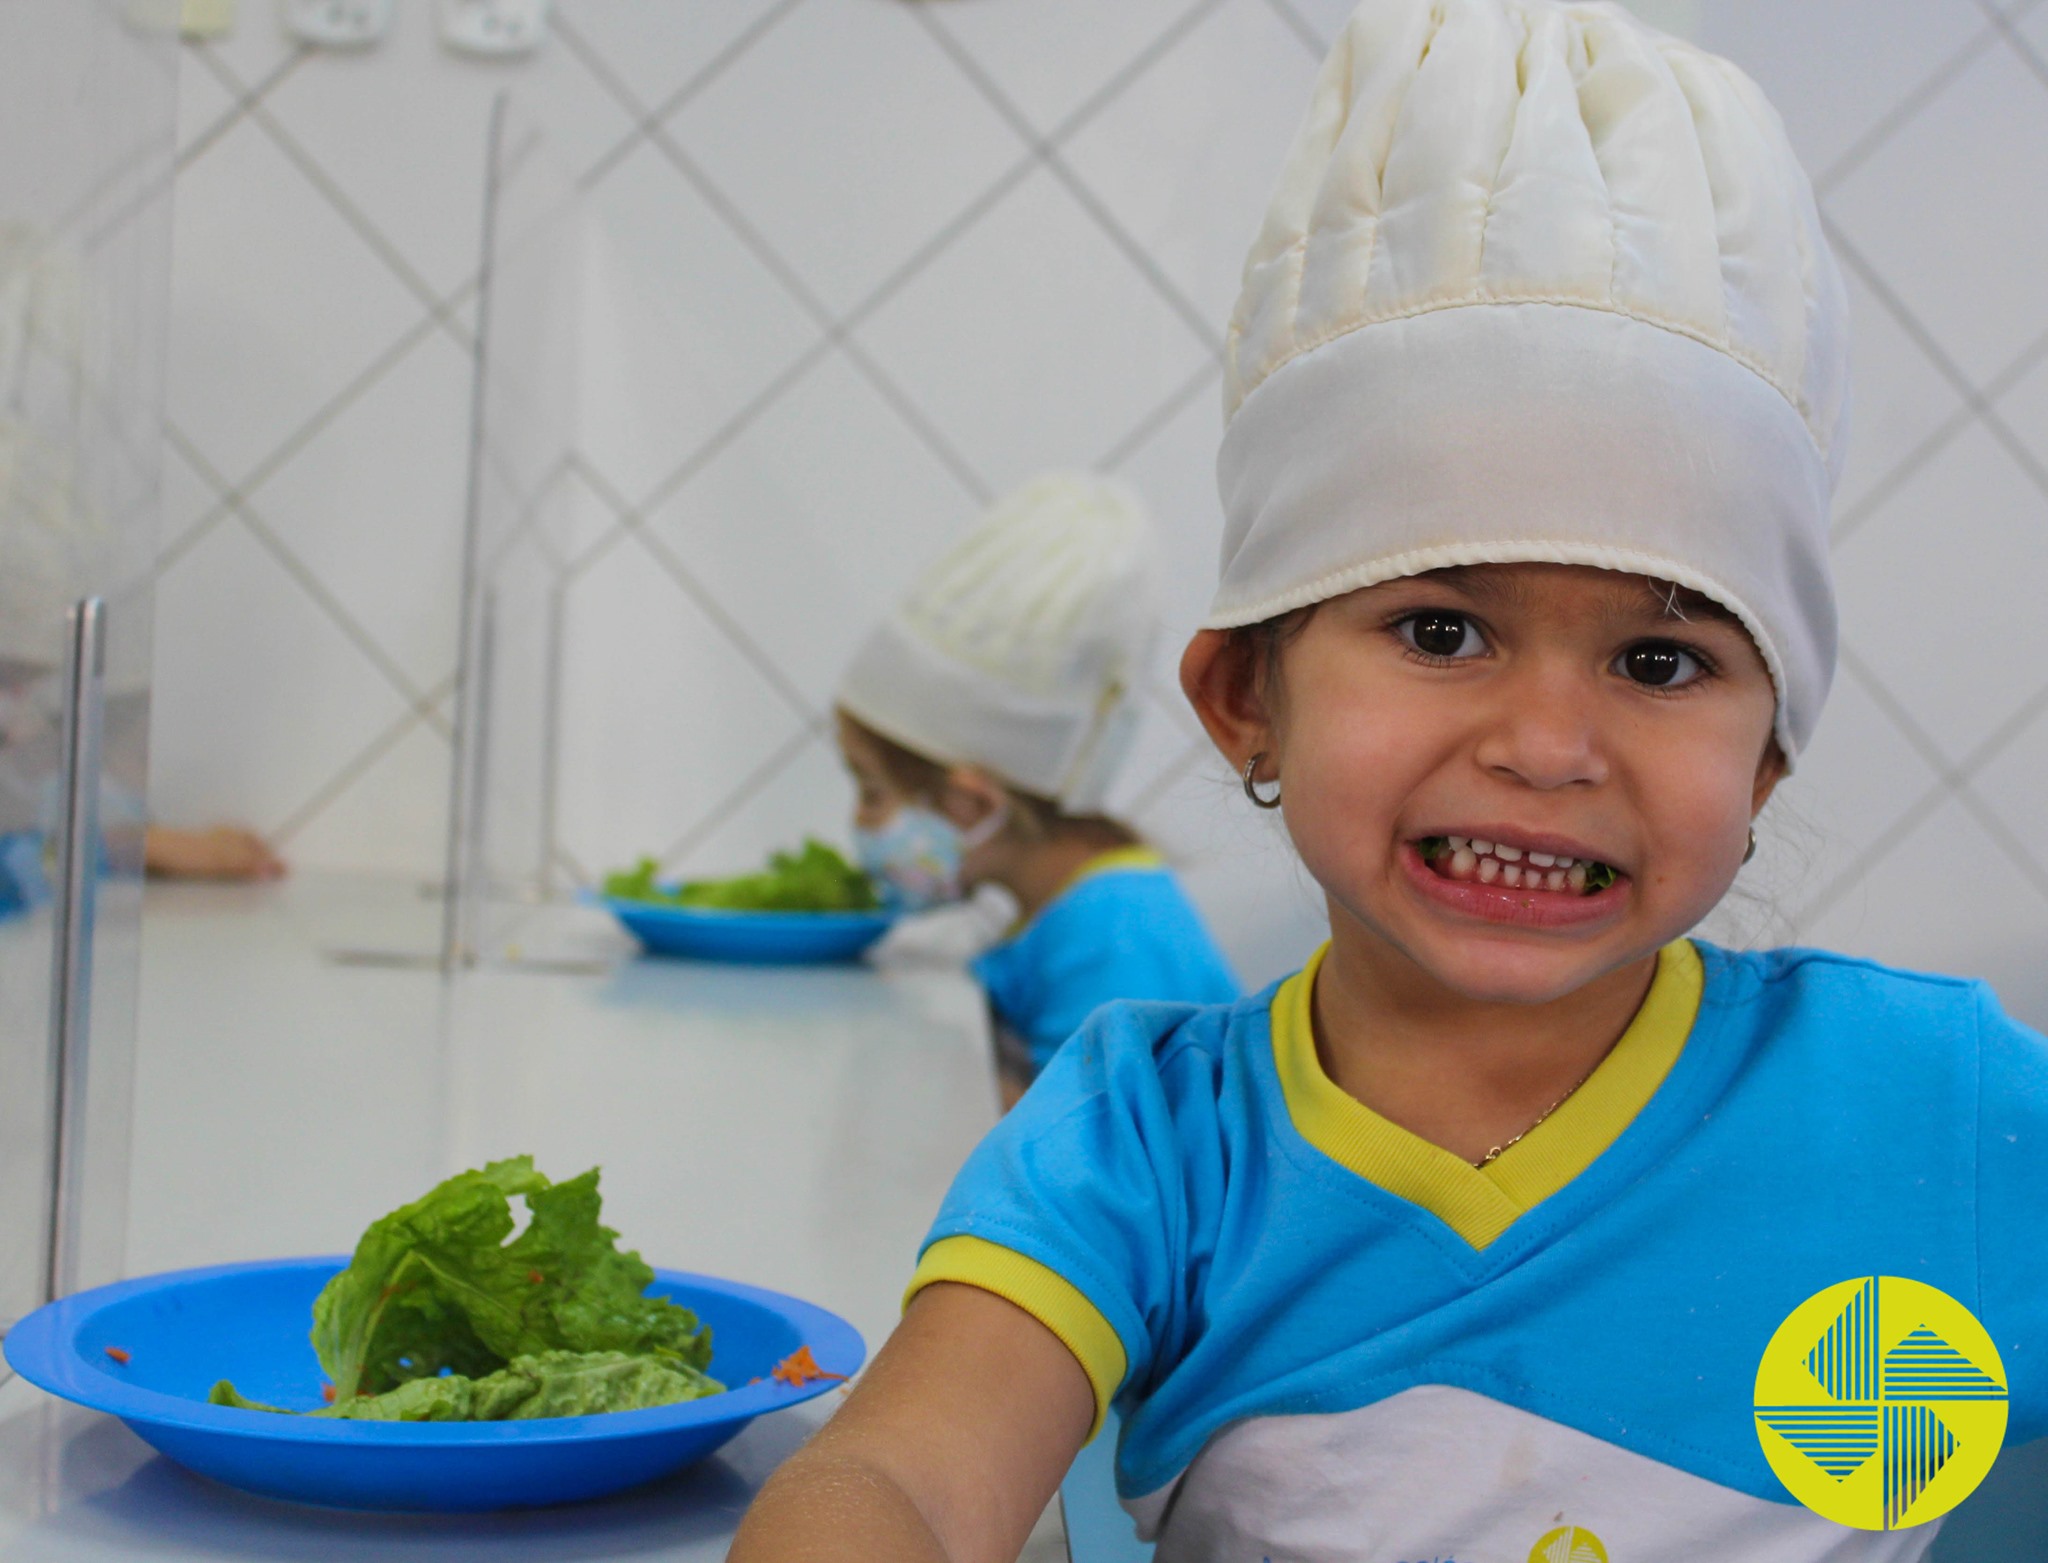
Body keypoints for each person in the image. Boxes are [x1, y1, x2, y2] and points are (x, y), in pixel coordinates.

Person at [736, 1, 2048, 1557]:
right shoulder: (1151, 1147)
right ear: (1246, 701)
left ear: (1768, 751)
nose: (1549, 745)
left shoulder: (1936, 1112)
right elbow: (897, 1476)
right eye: (1441, 627)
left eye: (1659, 660)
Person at [837, 471, 1238, 1107]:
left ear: (972, 804)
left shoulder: (1114, 936)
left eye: (871, 791)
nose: (859, 820)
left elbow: (1109, 1169)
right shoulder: (1062, 911)